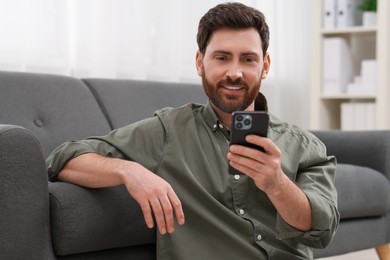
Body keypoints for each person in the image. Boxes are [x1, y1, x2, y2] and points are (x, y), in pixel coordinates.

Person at [47, 2, 339, 259]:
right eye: (222, 57)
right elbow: (64, 158)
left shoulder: (305, 147)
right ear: (201, 63)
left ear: (265, 66)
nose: (234, 72)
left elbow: (321, 229)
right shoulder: (169, 131)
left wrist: (277, 184)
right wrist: (130, 172)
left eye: (248, 59)